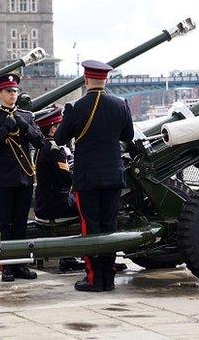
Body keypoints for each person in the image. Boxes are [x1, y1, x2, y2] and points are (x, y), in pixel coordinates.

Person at [55, 60, 134, 292]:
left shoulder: (75, 107)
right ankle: (108, 279)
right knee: (110, 226)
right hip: (113, 175)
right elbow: (128, 136)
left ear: (86, 80)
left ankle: (94, 279)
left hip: (87, 177)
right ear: (105, 80)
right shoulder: (121, 105)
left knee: (90, 227)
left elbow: (59, 139)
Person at [0, 73, 43, 283]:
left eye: (15, 91)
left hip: (24, 178)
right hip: (3, 180)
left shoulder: (27, 116)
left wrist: (24, 126)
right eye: (8, 91)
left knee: (20, 225)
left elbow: (40, 141)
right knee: (4, 225)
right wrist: (5, 128)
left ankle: (20, 264)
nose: (12, 95)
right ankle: (7, 266)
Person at [34, 105, 84, 273]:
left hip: (46, 203)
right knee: (89, 206)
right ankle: (85, 254)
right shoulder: (55, 149)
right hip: (55, 206)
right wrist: (72, 161)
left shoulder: (43, 146)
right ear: (53, 128)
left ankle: (69, 257)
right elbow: (67, 178)